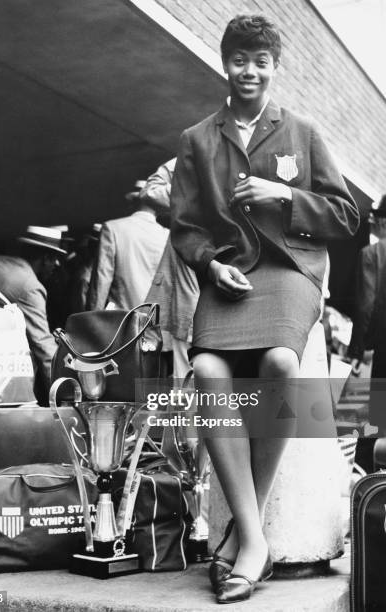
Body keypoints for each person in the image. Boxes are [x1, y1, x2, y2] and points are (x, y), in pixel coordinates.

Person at [170, 14, 359, 604]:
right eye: (239, 60)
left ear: (275, 68)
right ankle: (254, 541)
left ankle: (242, 543)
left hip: (291, 271)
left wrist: (286, 195)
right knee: (207, 371)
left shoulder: (301, 131)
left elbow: (346, 216)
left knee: (281, 362)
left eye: (261, 62)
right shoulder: (198, 139)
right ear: (224, 65)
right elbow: (185, 227)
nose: (249, 71)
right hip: (229, 276)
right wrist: (209, 264)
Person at [0, 225, 68, 402]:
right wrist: (64, 398)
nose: (57, 264)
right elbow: (44, 348)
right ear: (45, 257)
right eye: (54, 258)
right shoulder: (30, 287)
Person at [143, 159, 199, 379]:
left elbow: (151, 191)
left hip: (190, 316)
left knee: (185, 387)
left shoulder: (192, 197)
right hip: (224, 318)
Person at [87, 180, 169, 310]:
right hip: (155, 320)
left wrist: (91, 323)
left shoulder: (112, 228)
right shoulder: (166, 236)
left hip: (121, 322)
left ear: (133, 202)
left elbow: (100, 283)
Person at [348, 195, 386, 431]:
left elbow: (365, 306)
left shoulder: (372, 254)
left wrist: (357, 352)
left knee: (359, 427)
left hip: (377, 353)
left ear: (383, 222)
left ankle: (359, 466)